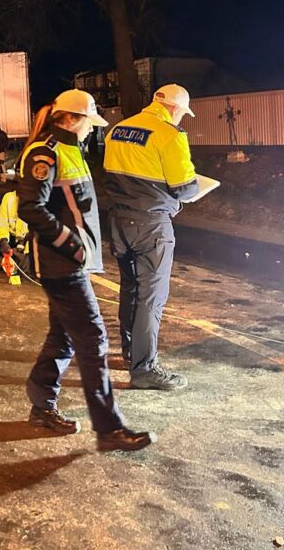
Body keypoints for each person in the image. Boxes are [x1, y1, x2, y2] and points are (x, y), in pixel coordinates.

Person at [18, 89, 152, 452]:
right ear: (71, 119)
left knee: (63, 336)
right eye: (89, 122)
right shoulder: (45, 152)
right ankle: (110, 430)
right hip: (61, 265)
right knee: (93, 340)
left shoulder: (70, 149)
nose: (92, 129)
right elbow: (30, 207)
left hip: (71, 262)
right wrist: (72, 245)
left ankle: (41, 405)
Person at [103, 84, 199, 391]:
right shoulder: (170, 135)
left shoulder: (117, 130)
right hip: (151, 225)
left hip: (119, 222)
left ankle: (131, 353)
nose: (181, 119)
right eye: (182, 113)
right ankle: (144, 369)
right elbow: (184, 187)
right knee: (151, 298)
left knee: (130, 290)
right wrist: (195, 186)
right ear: (174, 108)